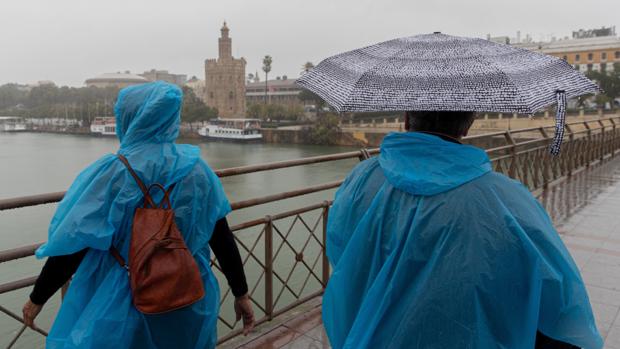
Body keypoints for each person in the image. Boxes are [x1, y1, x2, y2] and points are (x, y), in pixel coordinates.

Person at [323, 111, 603, 349]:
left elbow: (342, 251)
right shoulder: (508, 199)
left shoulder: (361, 179)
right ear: (467, 124)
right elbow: (558, 298)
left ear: (407, 119)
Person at [21, 81, 255, 348]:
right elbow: (221, 237)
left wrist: (37, 298)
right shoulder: (198, 171)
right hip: (187, 293)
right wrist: (241, 293)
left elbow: (76, 242)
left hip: (125, 299)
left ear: (130, 119)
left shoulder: (113, 174)